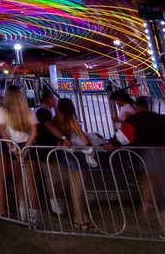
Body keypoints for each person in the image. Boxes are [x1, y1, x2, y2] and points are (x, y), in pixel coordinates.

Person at [0, 85, 39, 224]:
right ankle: (34, 216)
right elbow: (34, 133)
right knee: (30, 182)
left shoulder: (2, 111)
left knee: (19, 181)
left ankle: (23, 215)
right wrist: (26, 148)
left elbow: (2, 132)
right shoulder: (28, 111)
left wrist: (12, 148)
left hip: (14, 146)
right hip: (28, 145)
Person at [52, 98, 95, 230]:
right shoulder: (72, 121)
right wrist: (91, 146)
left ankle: (83, 217)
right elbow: (84, 139)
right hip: (78, 155)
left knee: (74, 188)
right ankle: (78, 220)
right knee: (79, 189)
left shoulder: (56, 121)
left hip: (66, 155)